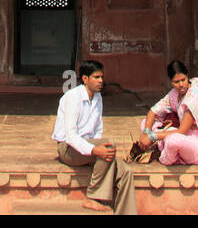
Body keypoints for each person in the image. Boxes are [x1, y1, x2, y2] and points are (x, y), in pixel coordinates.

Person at [52, 60, 138, 215]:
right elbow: (70, 136)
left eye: (102, 77)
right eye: (96, 77)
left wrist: (99, 150)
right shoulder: (73, 97)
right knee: (109, 145)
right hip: (68, 149)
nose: (101, 81)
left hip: (87, 148)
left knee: (125, 171)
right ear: (85, 79)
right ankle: (92, 196)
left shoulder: (98, 98)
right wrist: (94, 150)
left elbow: (97, 131)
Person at [138, 59, 198, 167]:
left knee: (173, 141)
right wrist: (146, 132)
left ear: (187, 76)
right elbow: (153, 111)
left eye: (183, 80)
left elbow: (181, 132)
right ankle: (168, 151)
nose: (181, 85)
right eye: (176, 82)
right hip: (184, 136)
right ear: (171, 82)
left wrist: (152, 137)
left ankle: (166, 158)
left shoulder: (195, 97)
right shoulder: (174, 94)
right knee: (145, 123)